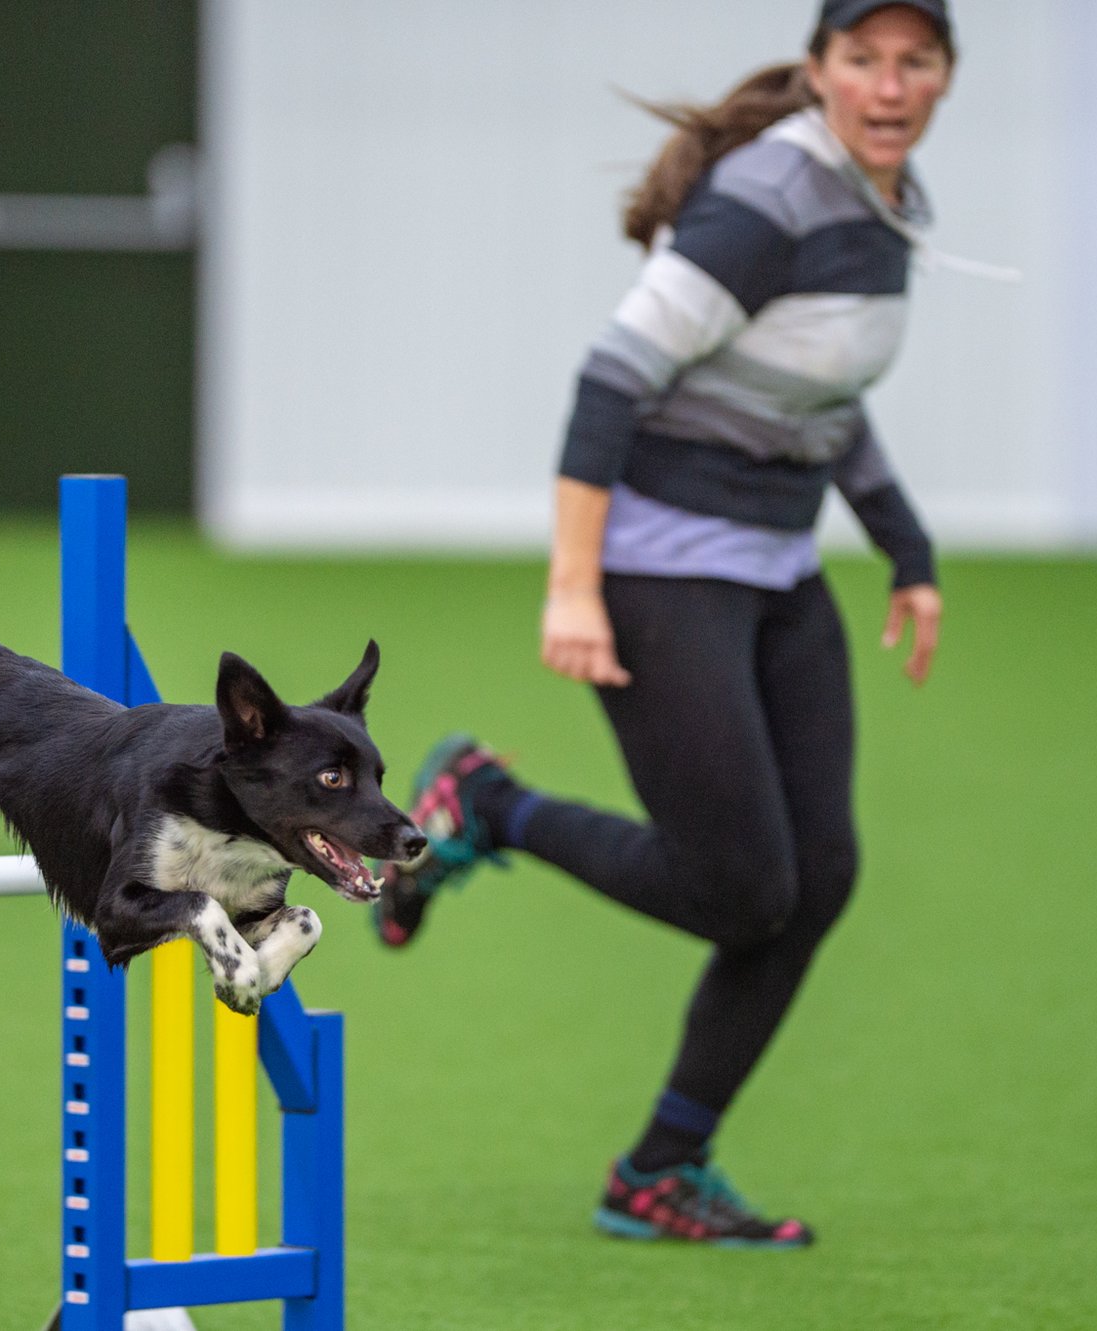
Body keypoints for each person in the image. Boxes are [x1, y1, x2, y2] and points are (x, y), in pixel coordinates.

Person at [373, 0, 957, 1247]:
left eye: (915, 61)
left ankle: (660, 1167)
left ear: (944, 77)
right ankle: (490, 804)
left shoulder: (887, 208)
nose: (889, 84)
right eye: (863, 58)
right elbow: (611, 378)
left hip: (775, 572)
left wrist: (904, 550)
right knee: (742, 888)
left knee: (820, 875)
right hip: (656, 568)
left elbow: (826, 394)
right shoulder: (767, 199)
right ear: (819, 72)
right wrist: (573, 584)